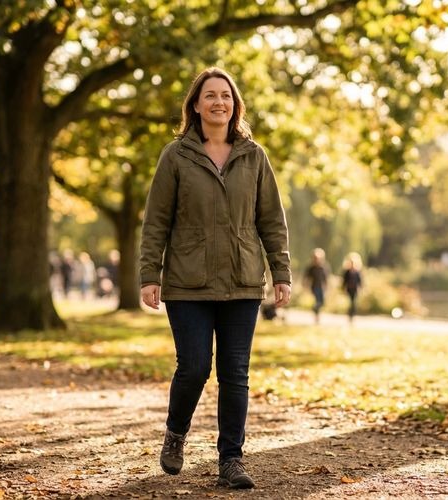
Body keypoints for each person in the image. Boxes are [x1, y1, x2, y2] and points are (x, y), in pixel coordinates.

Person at [139, 67, 291, 489]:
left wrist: (281, 271)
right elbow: (156, 222)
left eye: (225, 95)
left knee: (235, 372)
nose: (218, 102)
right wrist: (149, 274)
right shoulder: (176, 156)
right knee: (193, 367)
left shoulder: (254, 156)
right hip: (187, 282)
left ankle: (231, 460)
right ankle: (176, 433)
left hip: (242, 280)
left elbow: (271, 221)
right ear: (196, 104)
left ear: (234, 104)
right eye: (210, 96)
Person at [303, 248, 329, 324]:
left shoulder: (324, 267)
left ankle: (315, 310)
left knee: (322, 302)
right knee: (318, 300)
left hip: (322, 287)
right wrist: (305, 285)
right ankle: (317, 317)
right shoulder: (311, 268)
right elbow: (306, 277)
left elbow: (326, 278)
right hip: (314, 287)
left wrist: (327, 286)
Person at [341, 252, 363, 322]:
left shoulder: (357, 272)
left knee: (354, 303)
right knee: (351, 302)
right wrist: (343, 288)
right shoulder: (347, 272)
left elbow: (360, 281)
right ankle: (350, 314)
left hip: (355, 289)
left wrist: (361, 288)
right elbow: (344, 281)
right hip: (349, 289)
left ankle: (352, 315)